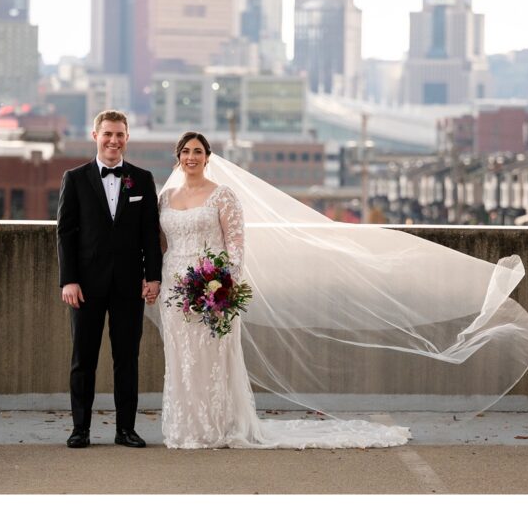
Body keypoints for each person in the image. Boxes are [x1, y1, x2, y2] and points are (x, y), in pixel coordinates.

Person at [147, 132, 411, 448]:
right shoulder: (165, 197)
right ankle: (184, 427)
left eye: (198, 151)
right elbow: (160, 244)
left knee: (212, 358)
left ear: (207, 157)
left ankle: (216, 427)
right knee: (181, 358)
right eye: (186, 151)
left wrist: (224, 287)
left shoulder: (223, 195)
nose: (191, 157)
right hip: (175, 290)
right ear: (178, 156)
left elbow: (235, 244)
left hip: (211, 289)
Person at [56, 110, 162, 449]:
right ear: (95, 136)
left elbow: (150, 234)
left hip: (129, 286)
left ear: (127, 137)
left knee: (127, 359)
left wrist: (153, 277)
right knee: (83, 360)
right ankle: (80, 429)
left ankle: (125, 430)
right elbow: (65, 234)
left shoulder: (142, 179)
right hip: (85, 287)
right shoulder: (74, 178)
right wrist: (68, 280)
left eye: (119, 134)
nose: (113, 140)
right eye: (107, 134)